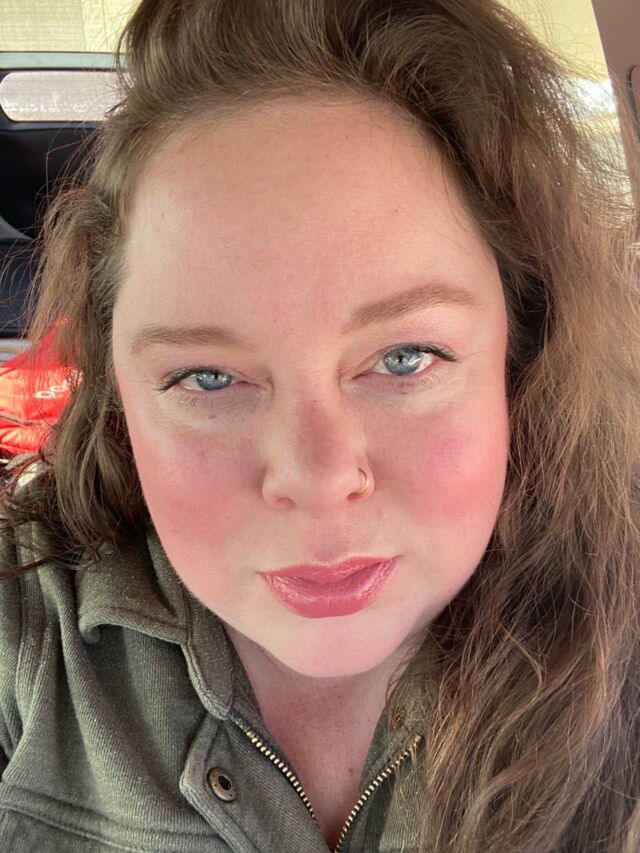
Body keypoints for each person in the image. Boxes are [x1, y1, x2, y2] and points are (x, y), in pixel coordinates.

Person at [0, 1, 638, 851]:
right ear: (118, 393)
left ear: (521, 360)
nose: (318, 476)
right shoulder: (28, 633)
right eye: (208, 376)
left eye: (406, 357)